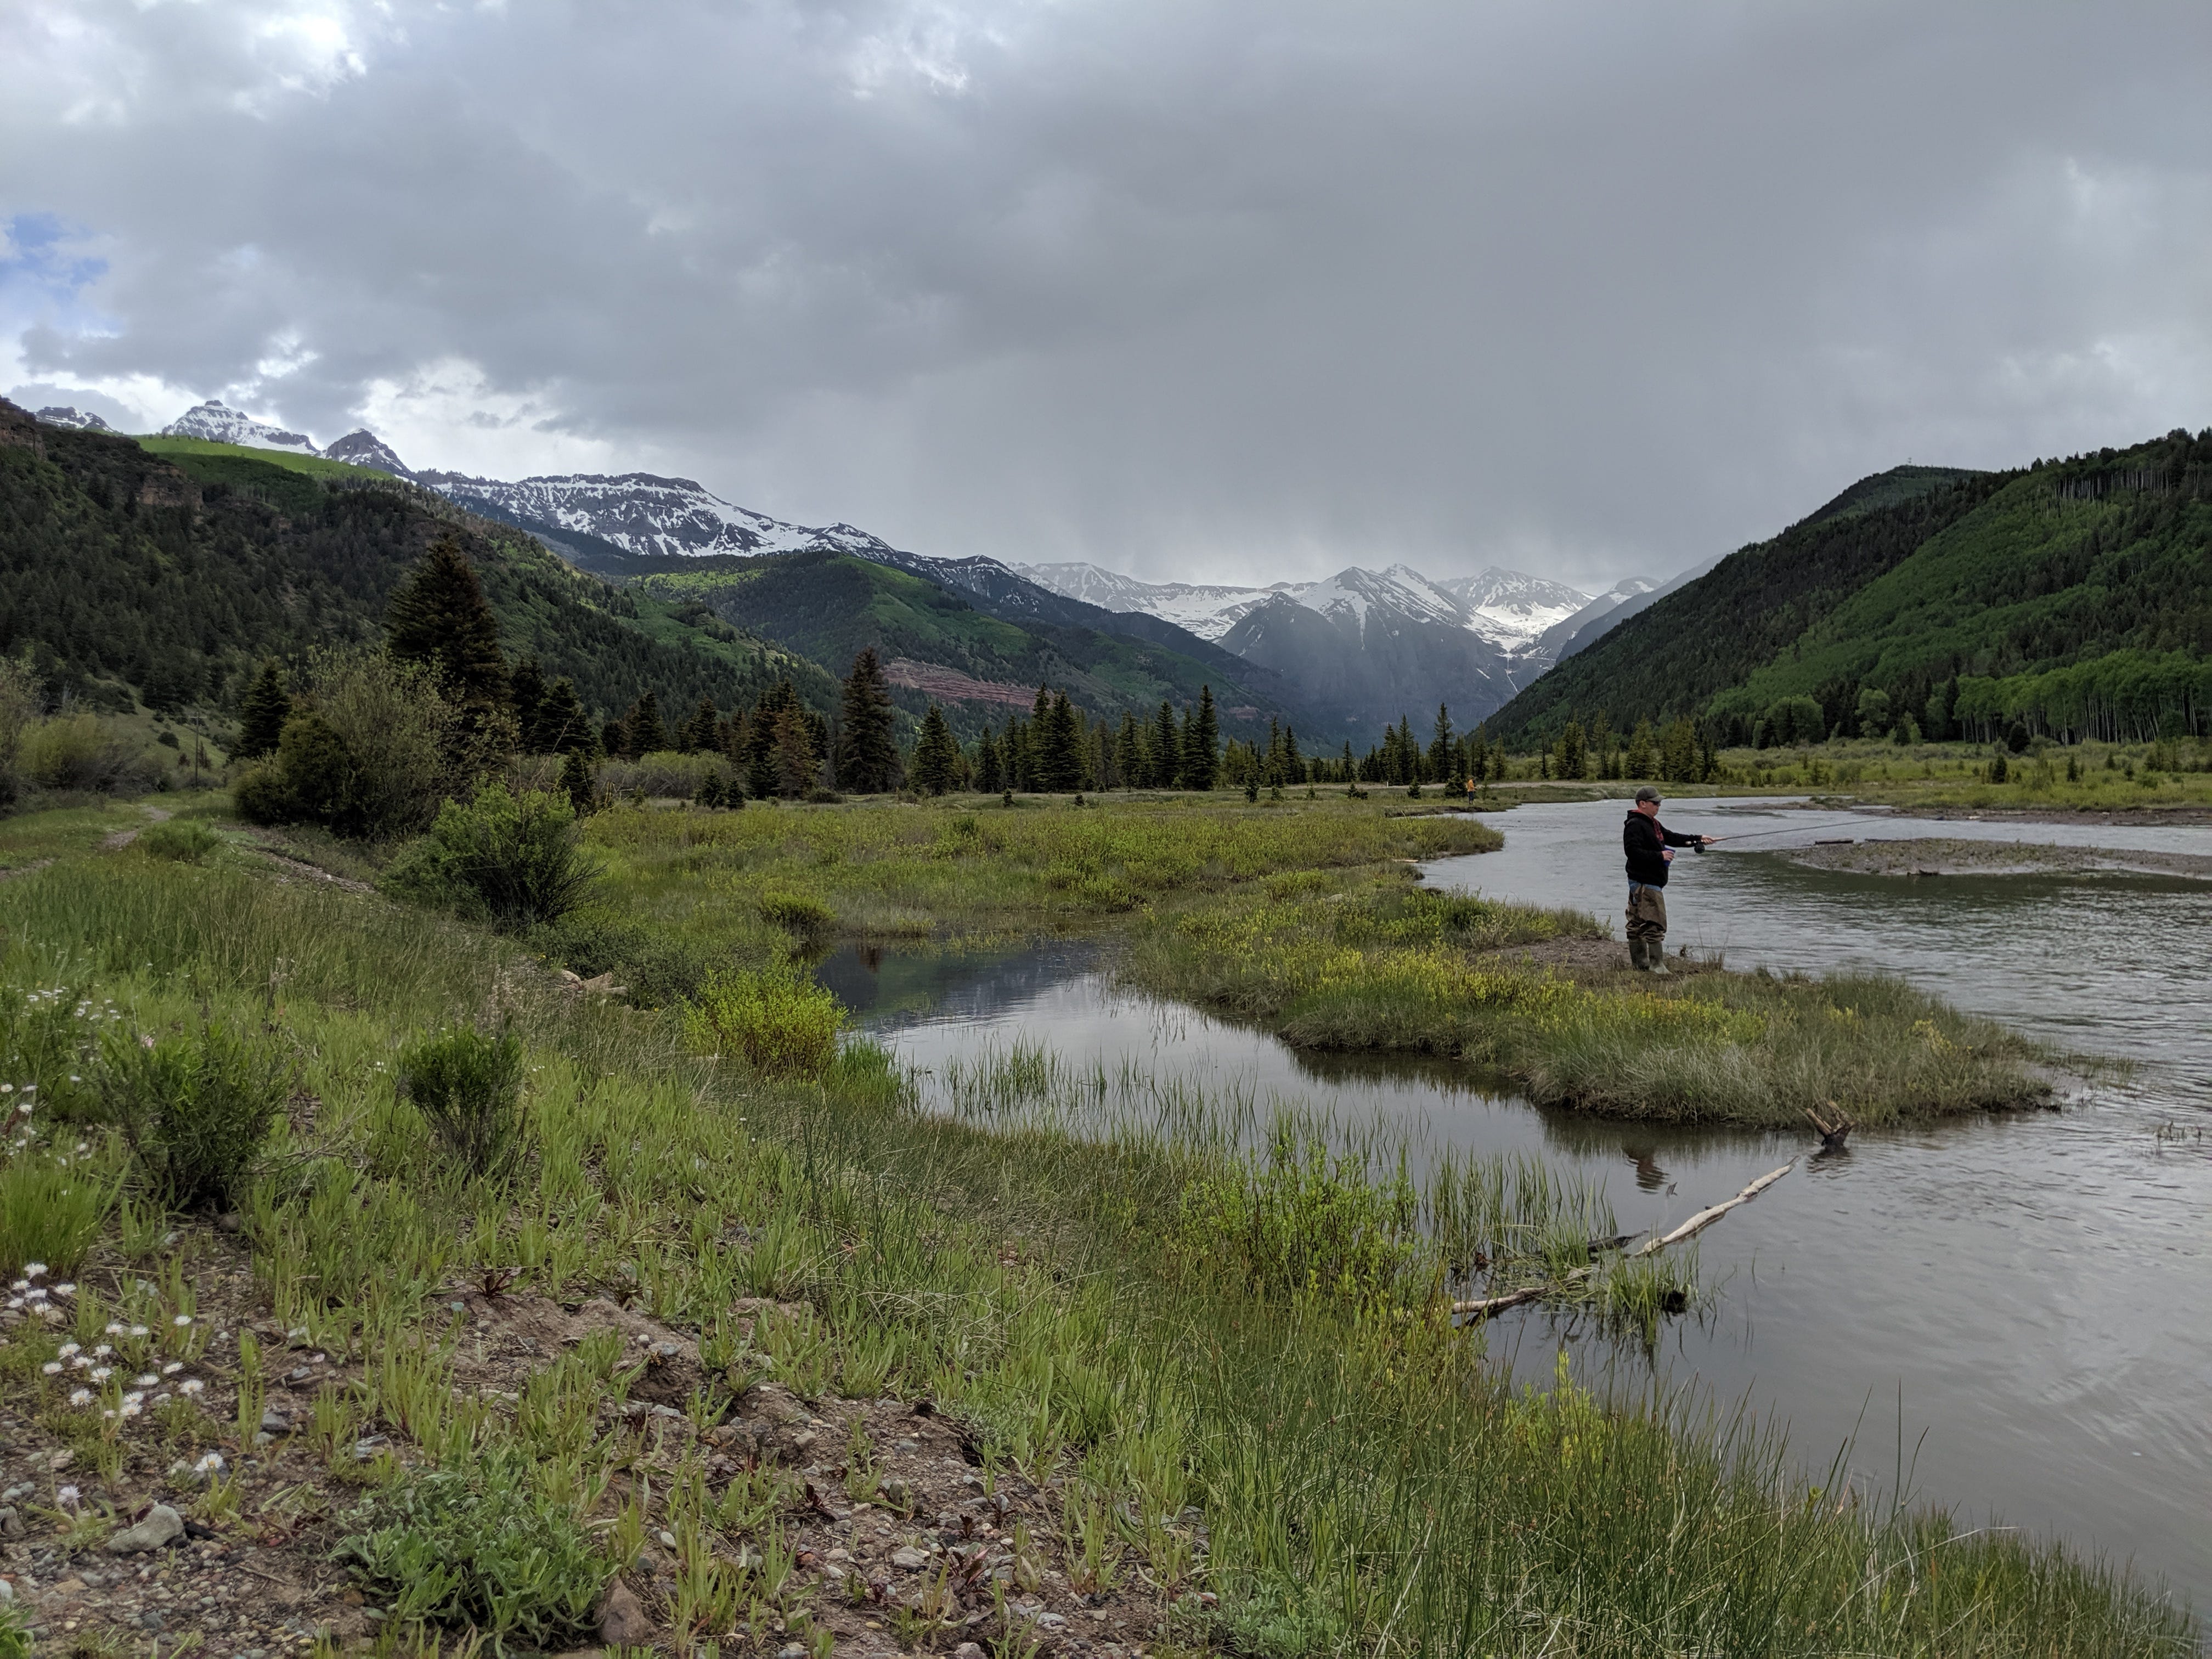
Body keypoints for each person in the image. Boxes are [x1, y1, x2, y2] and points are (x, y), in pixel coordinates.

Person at [1622, 786, 1711, 975]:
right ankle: (1657, 966)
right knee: (1654, 923)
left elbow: (1671, 837)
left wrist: (1698, 839)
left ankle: (1640, 964)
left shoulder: (1653, 823)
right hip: (1645, 883)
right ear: (1642, 804)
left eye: (1659, 803)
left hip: (1643, 882)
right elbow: (1632, 852)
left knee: (1636, 923)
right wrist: (1660, 856)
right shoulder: (1635, 825)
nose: (1658, 806)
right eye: (1655, 803)